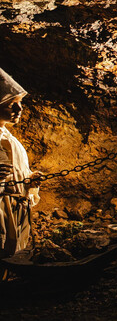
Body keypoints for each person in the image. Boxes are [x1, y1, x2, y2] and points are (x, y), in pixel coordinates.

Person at [1, 67, 40, 259]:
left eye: (20, 103)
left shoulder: (12, 140)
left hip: (16, 209)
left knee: (14, 252)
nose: (19, 109)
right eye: (11, 104)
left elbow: (18, 172)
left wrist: (30, 181)